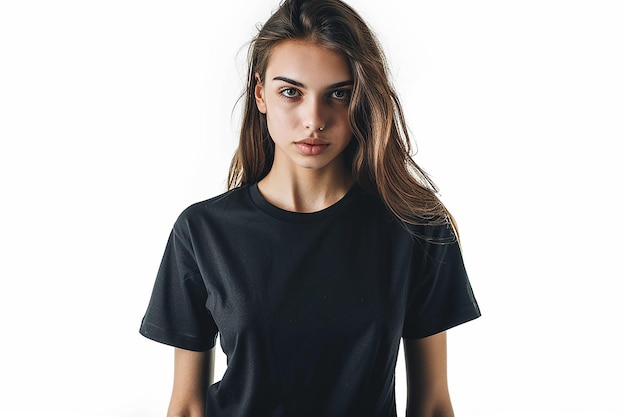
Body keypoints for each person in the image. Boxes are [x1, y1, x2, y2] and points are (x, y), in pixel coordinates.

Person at [139, 0, 480, 416]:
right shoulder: (203, 231)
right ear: (260, 93)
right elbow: (188, 406)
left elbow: (431, 405)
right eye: (291, 92)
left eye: (339, 94)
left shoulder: (416, 229)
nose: (313, 119)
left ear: (362, 99)